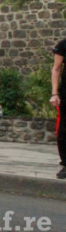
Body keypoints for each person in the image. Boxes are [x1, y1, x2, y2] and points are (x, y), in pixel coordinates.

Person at [51, 39, 66, 180]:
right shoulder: (63, 45)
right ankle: (65, 164)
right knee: (63, 130)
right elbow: (56, 68)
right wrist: (55, 93)